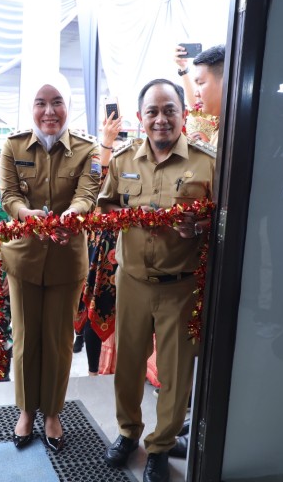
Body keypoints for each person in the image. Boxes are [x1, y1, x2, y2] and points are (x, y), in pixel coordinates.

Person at [100, 79, 215, 482]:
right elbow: (107, 204)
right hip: (132, 281)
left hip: (181, 287)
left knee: (175, 373)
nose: (161, 119)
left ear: (184, 114)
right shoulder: (124, 160)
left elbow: (221, 220)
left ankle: (161, 446)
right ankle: (129, 433)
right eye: (153, 112)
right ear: (140, 118)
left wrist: (199, 226)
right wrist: (119, 215)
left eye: (169, 110)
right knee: (127, 367)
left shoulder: (207, 163)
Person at [0, 73, 101, 453]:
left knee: (59, 341)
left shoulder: (88, 150)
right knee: (26, 339)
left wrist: (68, 217)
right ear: (31, 107)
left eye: (56, 101)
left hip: (66, 257)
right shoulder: (12, 146)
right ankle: (26, 411)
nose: (49, 111)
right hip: (24, 256)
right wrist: (27, 214)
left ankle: (53, 414)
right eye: (41, 102)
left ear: (68, 106)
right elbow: (8, 194)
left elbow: (87, 194)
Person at [74, 110, 124, 375]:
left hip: (126, 247)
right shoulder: (95, 159)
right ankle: (94, 371)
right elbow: (96, 177)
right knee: (95, 307)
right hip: (98, 249)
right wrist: (106, 144)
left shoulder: (131, 161)